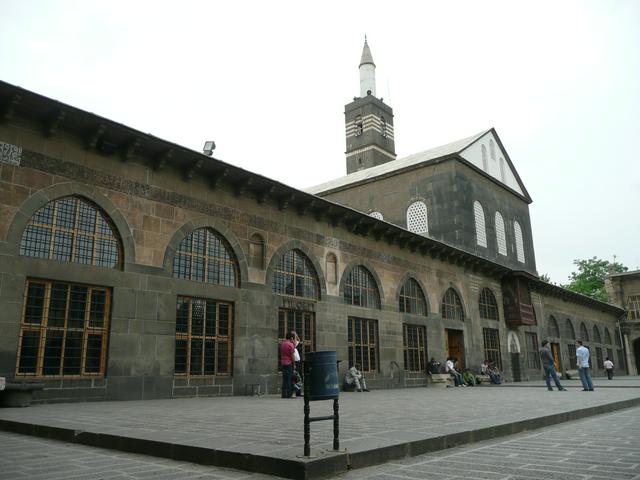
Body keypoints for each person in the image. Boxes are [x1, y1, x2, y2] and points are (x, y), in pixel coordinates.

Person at [279, 332, 296, 398]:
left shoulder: (282, 344)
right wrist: (294, 364)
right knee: (289, 378)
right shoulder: (290, 345)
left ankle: (283, 394)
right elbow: (292, 356)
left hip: (283, 363)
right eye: (293, 338)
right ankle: (288, 394)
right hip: (289, 363)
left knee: (284, 379)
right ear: (291, 338)